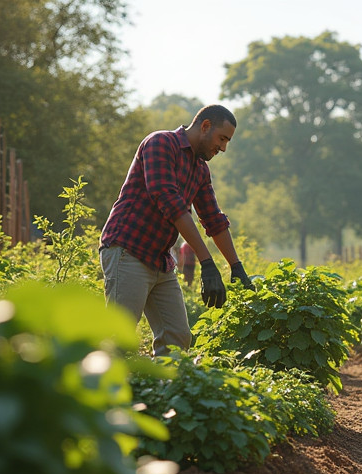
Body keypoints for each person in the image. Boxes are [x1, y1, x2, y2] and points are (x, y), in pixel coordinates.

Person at [99, 104, 253, 357]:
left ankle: (160, 395)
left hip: (160, 260)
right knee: (119, 338)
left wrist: (237, 268)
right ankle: (96, 392)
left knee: (177, 337)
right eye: (222, 138)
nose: (223, 148)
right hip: (128, 250)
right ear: (205, 126)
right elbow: (170, 203)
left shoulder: (200, 169)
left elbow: (213, 219)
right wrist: (207, 263)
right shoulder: (160, 143)